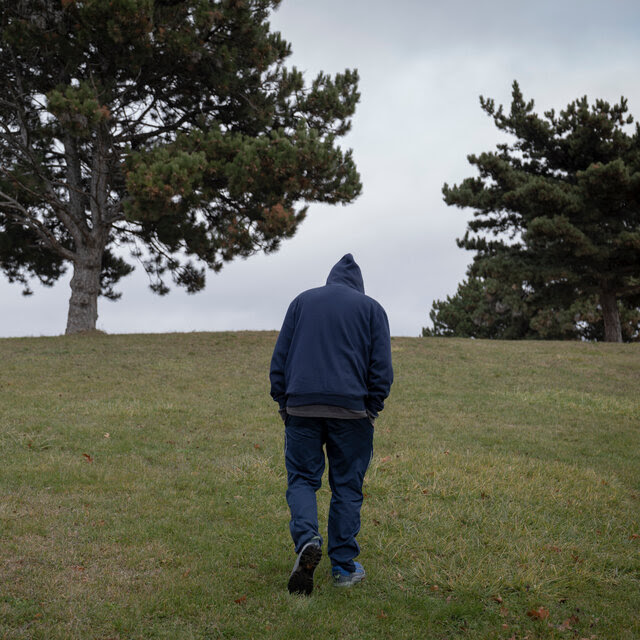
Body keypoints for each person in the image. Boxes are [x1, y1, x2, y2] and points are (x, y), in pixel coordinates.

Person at [269, 253, 394, 595]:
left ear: (330, 280)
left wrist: (284, 404)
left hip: (302, 407)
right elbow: (382, 370)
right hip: (352, 412)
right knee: (347, 488)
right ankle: (343, 567)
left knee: (302, 480)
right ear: (358, 285)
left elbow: (279, 360)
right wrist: (371, 410)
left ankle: (308, 538)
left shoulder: (301, 302)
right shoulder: (371, 309)